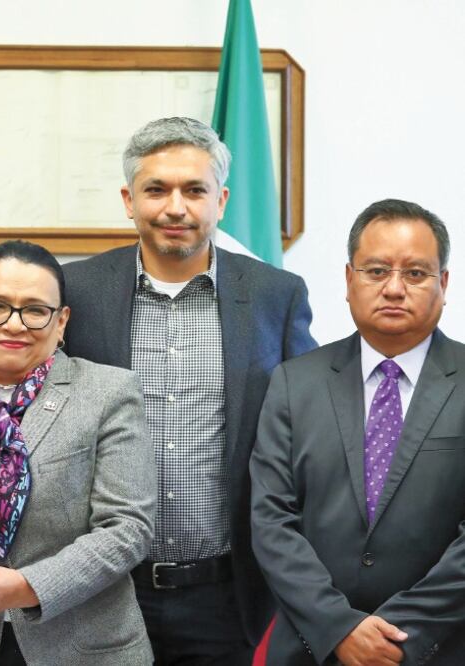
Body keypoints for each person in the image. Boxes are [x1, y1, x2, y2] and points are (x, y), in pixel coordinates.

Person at [62, 116, 317, 664]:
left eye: (194, 190)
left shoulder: (277, 296)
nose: (175, 207)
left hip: (227, 597)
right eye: (157, 189)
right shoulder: (75, 292)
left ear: (220, 200)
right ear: (129, 200)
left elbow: (312, 431)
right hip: (103, 590)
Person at [0, 240, 156, 665]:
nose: (14, 324)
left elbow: (127, 528)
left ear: (61, 322)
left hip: (85, 648)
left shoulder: (108, 393)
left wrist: (29, 586)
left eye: (35, 310)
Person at [251, 199, 465, 665]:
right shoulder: (293, 382)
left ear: (444, 284)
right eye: (375, 271)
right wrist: (339, 627)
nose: (393, 288)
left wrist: (397, 636)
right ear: (349, 280)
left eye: (415, 274)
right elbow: (272, 521)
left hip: (442, 648)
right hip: (313, 646)